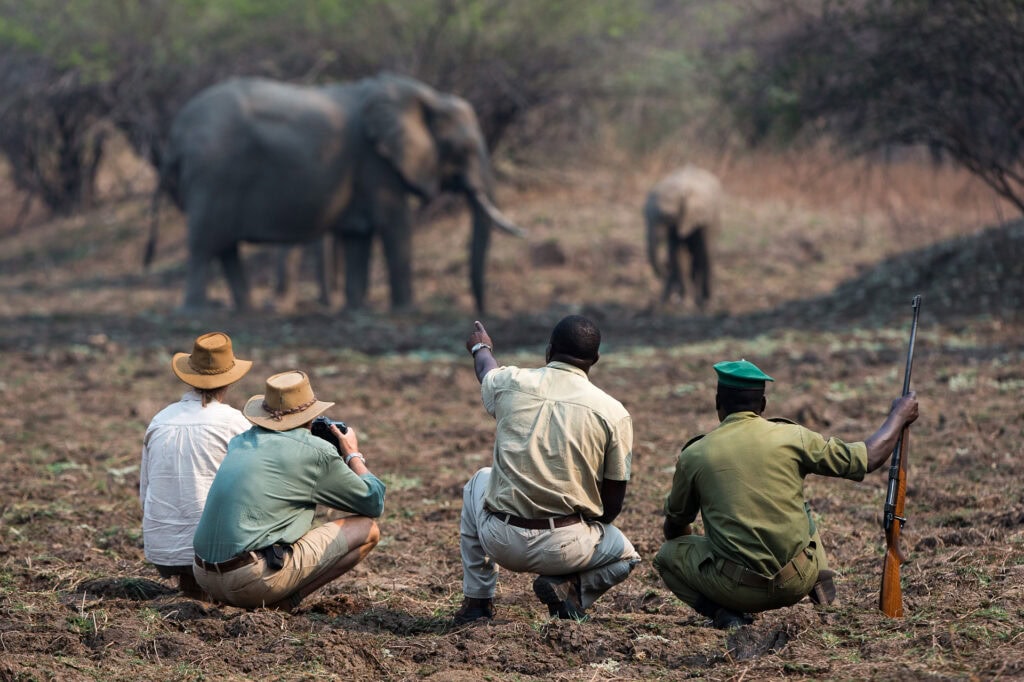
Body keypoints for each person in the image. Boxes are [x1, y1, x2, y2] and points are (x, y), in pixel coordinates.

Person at [653, 359, 920, 629]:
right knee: (800, 508)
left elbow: (675, 528)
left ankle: (725, 615)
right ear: (763, 404)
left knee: (666, 556)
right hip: (797, 581)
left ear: (717, 403)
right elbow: (868, 457)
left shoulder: (695, 455)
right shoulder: (794, 437)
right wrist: (899, 416)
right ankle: (824, 593)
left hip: (735, 589)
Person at [453, 316, 641, 625]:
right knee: (628, 556)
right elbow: (612, 507)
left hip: (500, 540)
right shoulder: (613, 413)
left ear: (549, 350)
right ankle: (571, 589)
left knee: (480, 479)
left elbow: (486, 371)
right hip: (565, 548)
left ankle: (477, 602)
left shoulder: (512, 383)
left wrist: (480, 347)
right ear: (595, 359)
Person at [192, 370, 385, 611]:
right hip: (251, 581)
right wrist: (352, 454)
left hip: (203, 575)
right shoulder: (315, 452)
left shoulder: (241, 441)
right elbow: (373, 501)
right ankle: (285, 603)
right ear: (310, 416)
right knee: (367, 529)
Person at [140, 331, 253, 600]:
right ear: (229, 381)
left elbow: (145, 494)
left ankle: (193, 587)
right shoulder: (235, 422)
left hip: (162, 551)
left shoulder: (160, 419)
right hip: (214, 554)